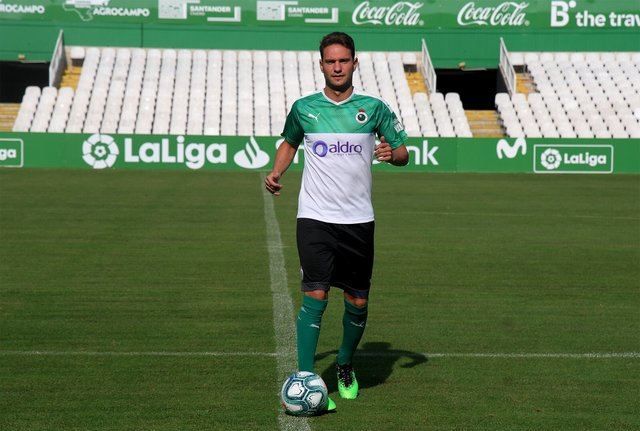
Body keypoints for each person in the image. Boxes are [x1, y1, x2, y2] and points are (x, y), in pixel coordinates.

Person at [265, 32, 409, 411]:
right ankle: (305, 377)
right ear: (322, 65)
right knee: (315, 294)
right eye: (331, 61)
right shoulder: (304, 108)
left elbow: (403, 152)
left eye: (344, 60)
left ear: (355, 63)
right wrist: (277, 171)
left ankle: (344, 364)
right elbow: (290, 142)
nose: (337, 67)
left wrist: (390, 154)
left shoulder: (374, 108)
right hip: (314, 217)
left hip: (358, 220)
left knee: (357, 300)